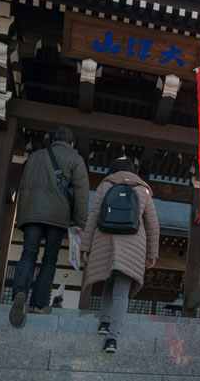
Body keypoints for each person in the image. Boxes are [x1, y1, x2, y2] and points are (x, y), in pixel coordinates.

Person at [9, 126, 89, 326]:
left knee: (28, 253)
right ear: (72, 143)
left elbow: (24, 185)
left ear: (54, 140)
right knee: (50, 259)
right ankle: (37, 304)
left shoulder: (35, 156)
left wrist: (21, 216)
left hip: (32, 212)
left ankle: (19, 292)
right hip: (57, 215)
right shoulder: (75, 160)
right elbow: (81, 194)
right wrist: (80, 222)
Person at [80, 157, 159, 353]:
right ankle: (112, 338)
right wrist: (151, 253)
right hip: (132, 244)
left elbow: (92, 218)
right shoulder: (143, 190)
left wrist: (85, 246)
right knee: (121, 292)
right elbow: (152, 224)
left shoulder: (105, 186)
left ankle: (104, 322)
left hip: (104, 240)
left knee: (108, 281)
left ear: (113, 169)